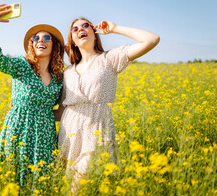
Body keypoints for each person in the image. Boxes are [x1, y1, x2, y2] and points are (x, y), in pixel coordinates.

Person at [55, 17, 160, 178]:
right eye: (74, 29)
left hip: (96, 130)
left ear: (95, 34)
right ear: (73, 41)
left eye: (85, 26)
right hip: (69, 134)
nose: (81, 29)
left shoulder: (109, 59)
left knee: (80, 182)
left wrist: (115, 28)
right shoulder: (67, 72)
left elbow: (152, 40)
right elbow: (62, 111)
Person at [0, 4, 65, 186]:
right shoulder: (22, 65)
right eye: (35, 38)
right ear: (31, 44)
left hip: (45, 136)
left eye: (47, 37)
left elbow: (61, 111)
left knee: (41, 182)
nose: (41, 40)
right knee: (13, 180)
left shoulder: (60, 77)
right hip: (18, 130)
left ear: (54, 45)